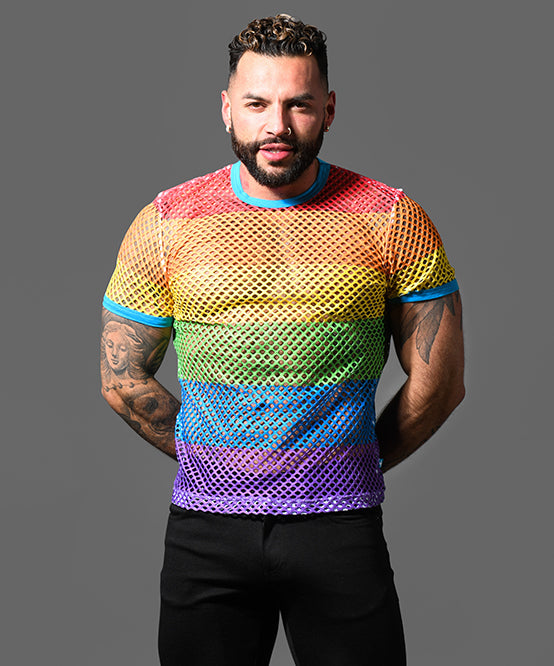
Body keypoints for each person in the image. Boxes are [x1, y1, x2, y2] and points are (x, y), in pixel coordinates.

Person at [100, 13, 465, 666]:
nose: (277, 125)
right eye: (257, 104)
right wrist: (218, 460)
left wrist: (349, 462)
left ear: (329, 109)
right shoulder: (166, 222)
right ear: (226, 109)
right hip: (206, 534)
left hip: (340, 529)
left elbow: (441, 382)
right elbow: (121, 377)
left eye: (299, 104)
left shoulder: (392, 219)